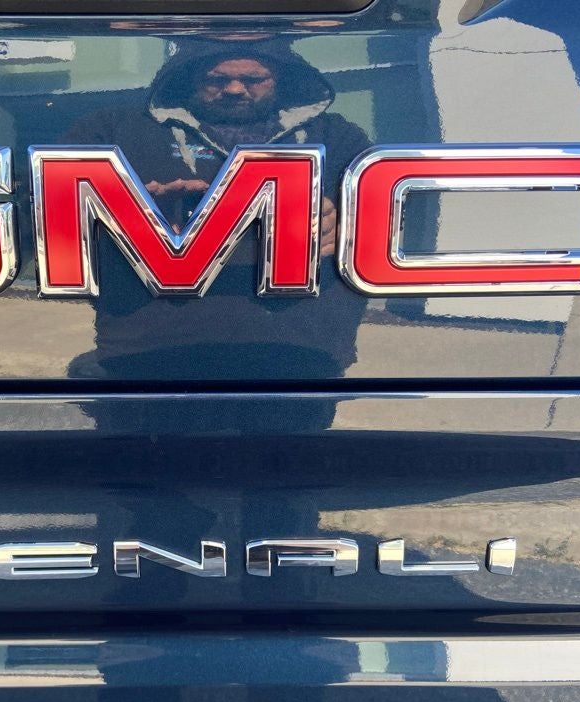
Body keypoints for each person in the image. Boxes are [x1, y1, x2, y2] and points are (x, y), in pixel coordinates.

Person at [64, 39, 370, 425]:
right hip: (146, 357)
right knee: (142, 462)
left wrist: (344, 225)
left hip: (299, 360)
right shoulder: (112, 129)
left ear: (282, 78)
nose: (235, 89)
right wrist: (121, 217)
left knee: (289, 463)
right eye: (216, 80)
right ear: (187, 78)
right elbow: (46, 218)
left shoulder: (337, 135)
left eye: (253, 79)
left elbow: (390, 219)